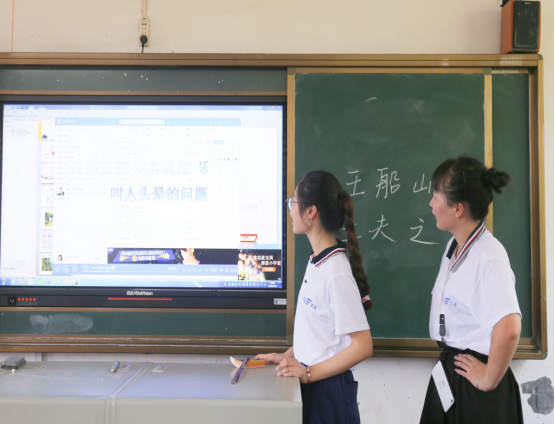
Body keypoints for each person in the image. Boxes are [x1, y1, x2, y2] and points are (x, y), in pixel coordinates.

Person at [256, 170, 373, 424]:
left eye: (293, 202)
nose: (290, 209)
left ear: (311, 212)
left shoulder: (335, 272)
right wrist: (288, 355)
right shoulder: (317, 261)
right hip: (315, 385)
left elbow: (363, 346)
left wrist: (308, 373)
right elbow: (320, 335)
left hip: (329, 392)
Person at [420, 156, 524, 423]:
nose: (431, 204)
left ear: (457, 209)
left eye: (436, 196)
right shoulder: (454, 246)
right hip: (451, 372)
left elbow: (509, 328)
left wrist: (488, 380)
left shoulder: (489, 256)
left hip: (476, 387)